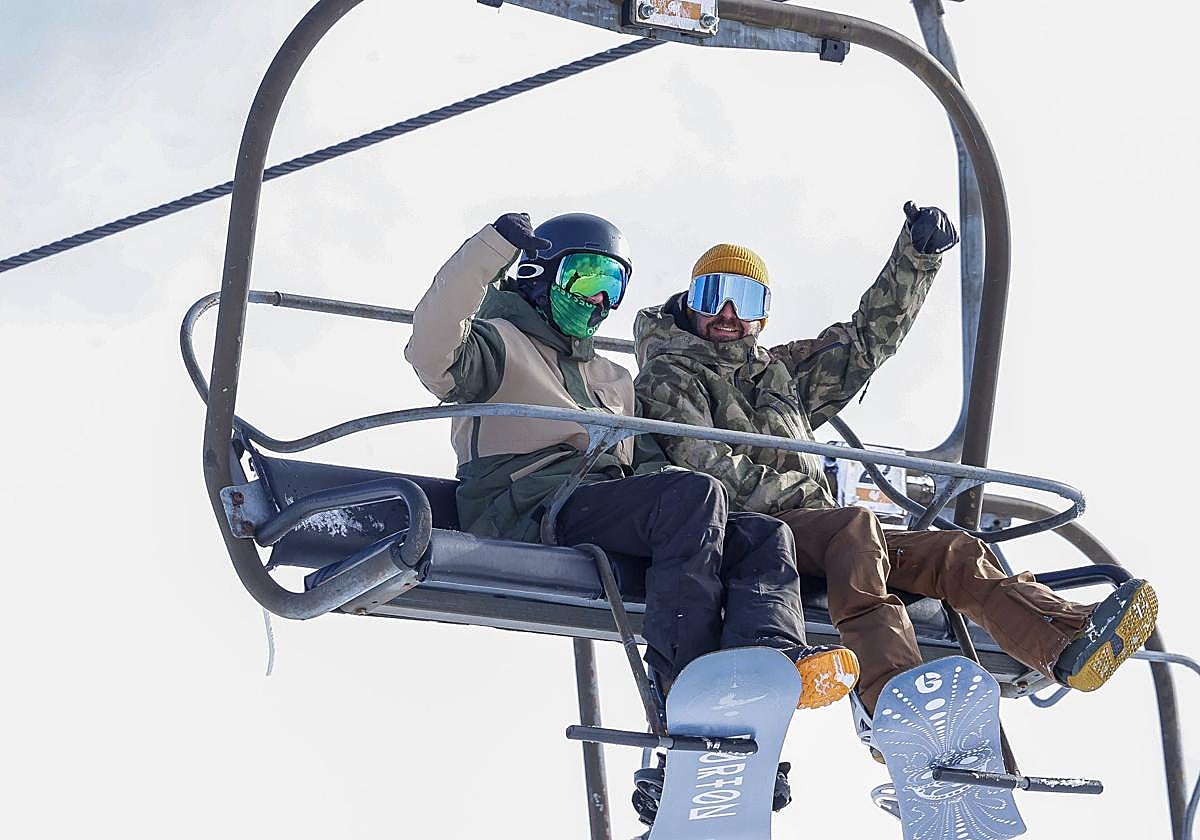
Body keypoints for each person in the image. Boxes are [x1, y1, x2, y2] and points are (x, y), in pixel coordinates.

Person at [632, 202, 1159, 760]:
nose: (730, 314)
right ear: (691, 302)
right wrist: (818, 510)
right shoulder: (670, 374)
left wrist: (916, 255)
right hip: (746, 534)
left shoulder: (778, 373)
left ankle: (1065, 642)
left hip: (820, 531)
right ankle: (890, 698)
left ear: (765, 314)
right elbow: (707, 469)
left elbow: (865, 342)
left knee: (952, 550)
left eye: (749, 300)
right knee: (856, 528)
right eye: (715, 296)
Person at [403, 211, 860, 715]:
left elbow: (647, 465)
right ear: (541, 271)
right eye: (588, 277)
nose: (599, 300)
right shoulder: (499, 344)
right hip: (529, 505)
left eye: (613, 284)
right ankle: (684, 689)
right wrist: (488, 251)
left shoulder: (611, 377)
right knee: (695, 496)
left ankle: (767, 668)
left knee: (761, 534)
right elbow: (430, 350)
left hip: (601, 505)